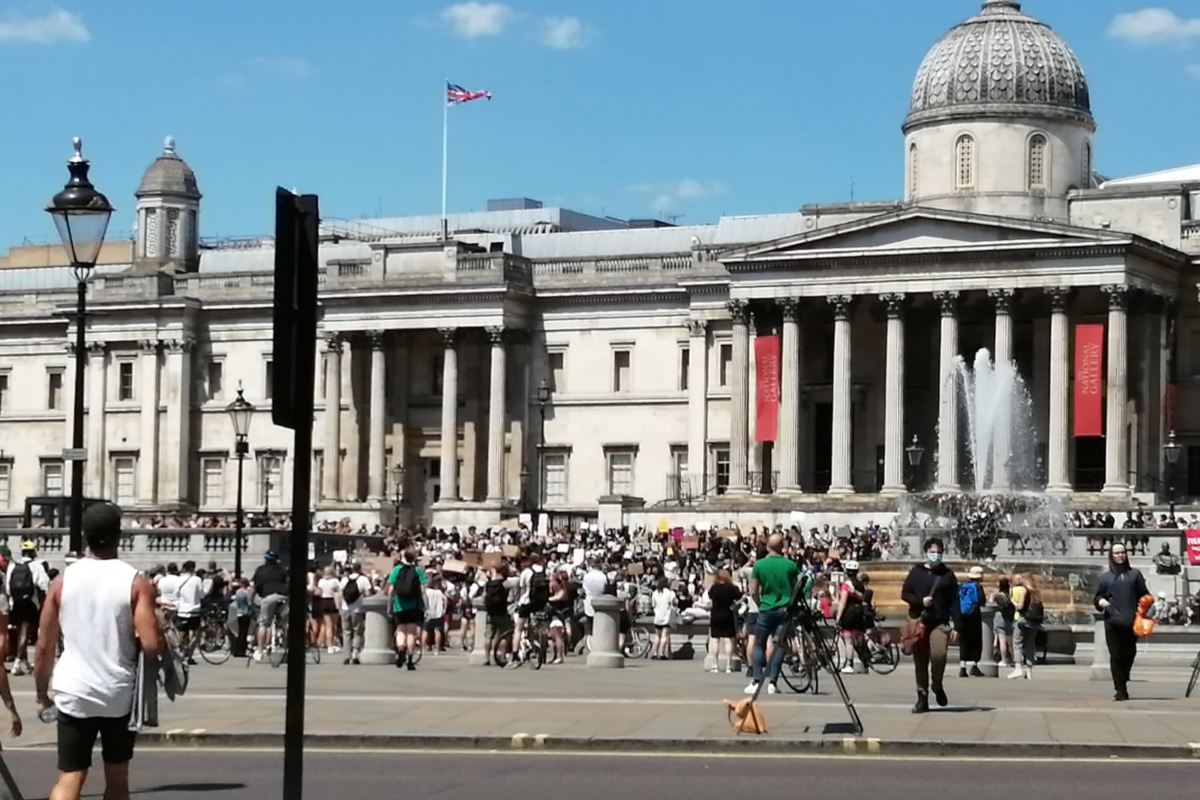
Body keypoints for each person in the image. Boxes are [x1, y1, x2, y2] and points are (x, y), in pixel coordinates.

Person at [34, 502, 164, 800]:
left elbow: (44, 647)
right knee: (117, 777)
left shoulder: (61, 582)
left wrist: (42, 694)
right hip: (117, 693)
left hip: (74, 690)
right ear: (119, 536)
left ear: (85, 536)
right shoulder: (136, 583)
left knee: (70, 776)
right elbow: (150, 644)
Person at [900, 537, 961, 714]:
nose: (935, 555)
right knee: (920, 660)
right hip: (918, 621)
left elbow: (954, 601)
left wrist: (957, 625)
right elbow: (905, 594)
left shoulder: (947, 575)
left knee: (939, 655)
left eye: (938, 552)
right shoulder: (916, 572)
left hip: (939, 622)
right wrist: (920, 601)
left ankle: (937, 683)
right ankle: (922, 697)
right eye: (932, 552)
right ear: (926, 552)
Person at [745, 533, 799, 696]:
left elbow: (753, 591)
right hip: (784, 608)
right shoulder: (790, 565)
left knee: (759, 643)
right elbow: (797, 587)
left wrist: (760, 602)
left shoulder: (759, 565)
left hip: (766, 607)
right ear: (783, 547)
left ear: (768, 546)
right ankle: (773, 682)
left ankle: (756, 679)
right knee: (779, 644)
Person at [1094, 542, 1149, 701]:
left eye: (1123, 552)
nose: (1120, 555)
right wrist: (1101, 602)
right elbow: (1098, 596)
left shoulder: (1135, 575)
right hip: (1113, 621)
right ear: (1111, 556)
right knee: (1116, 655)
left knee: (1130, 653)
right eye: (1117, 553)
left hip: (1131, 620)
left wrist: (1145, 607)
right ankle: (1120, 689)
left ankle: (1123, 677)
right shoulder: (1106, 577)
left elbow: (1144, 594)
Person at [7, 539, 51, 676]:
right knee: (26, 631)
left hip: (15, 602)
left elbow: (8, 587)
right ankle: (18, 661)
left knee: (19, 630)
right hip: (30, 603)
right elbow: (44, 584)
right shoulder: (37, 566)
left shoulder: (13, 566)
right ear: (33, 552)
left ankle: (24, 661)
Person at [387, 548, 427, 670]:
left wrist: (389, 606)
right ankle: (410, 660)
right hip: (414, 606)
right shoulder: (418, 570)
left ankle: (401, 650)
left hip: (399, 606)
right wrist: (426, 607)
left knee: (400, 630)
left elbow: (390, 590)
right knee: (411, 633)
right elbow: (423, 591)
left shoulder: (396, 570)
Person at [251, 551, 289, 662]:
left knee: (263, 624)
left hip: (268, 596)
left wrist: (257, 596)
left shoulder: (260, 570)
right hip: (283, 595)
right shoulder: (282, 570)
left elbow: (256, 586)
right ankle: (286, 641)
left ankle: (259, 650)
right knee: (286, 622)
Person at [957, 566, 985, 677]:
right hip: (974, 617)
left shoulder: (962, 586)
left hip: (962, 616)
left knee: (963, 641)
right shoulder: (977, 587)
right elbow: (982, 601)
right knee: (975, 641)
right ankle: (974, 666)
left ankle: (962, 667)